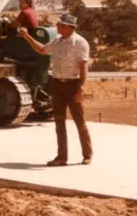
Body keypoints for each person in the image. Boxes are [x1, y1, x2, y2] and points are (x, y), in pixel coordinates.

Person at [19, 13, 93, 166]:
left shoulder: (80, 43)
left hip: (73, 86)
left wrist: (80, 88)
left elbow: (83, 67)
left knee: (80, 122)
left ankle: (87, 154)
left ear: (68, 27)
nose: (57, 27)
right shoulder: (57, 41)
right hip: (57, 85)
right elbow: (42, 50)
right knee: (59, 122)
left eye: (60, 25)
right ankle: (61, 157)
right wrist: (26, 37)